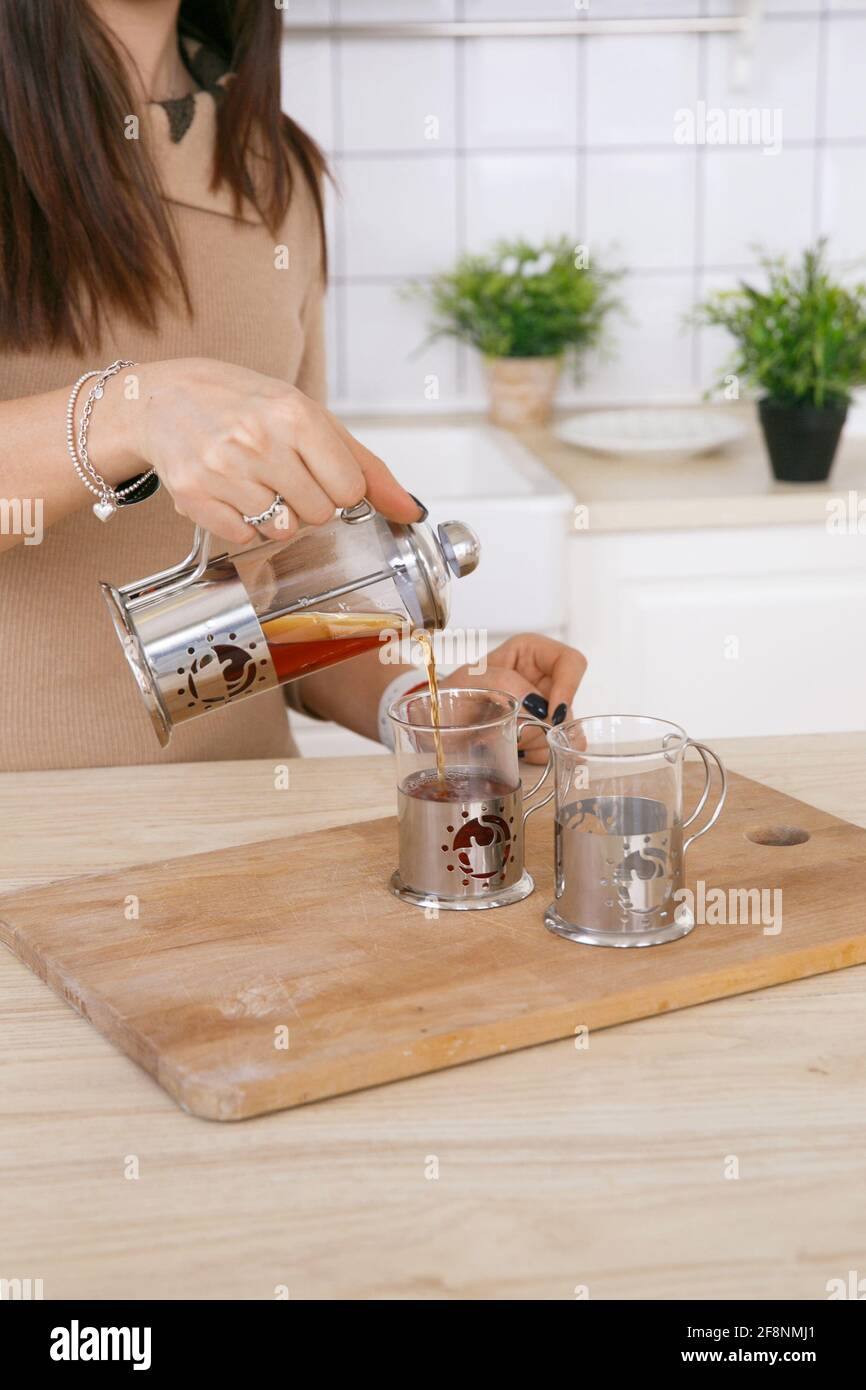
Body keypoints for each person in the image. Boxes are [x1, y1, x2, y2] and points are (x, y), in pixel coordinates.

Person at [0, 0, 586, 772]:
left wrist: (418, 704)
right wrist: (129, 413)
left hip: (240, 825)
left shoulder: (272, 169)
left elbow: (277, 585)